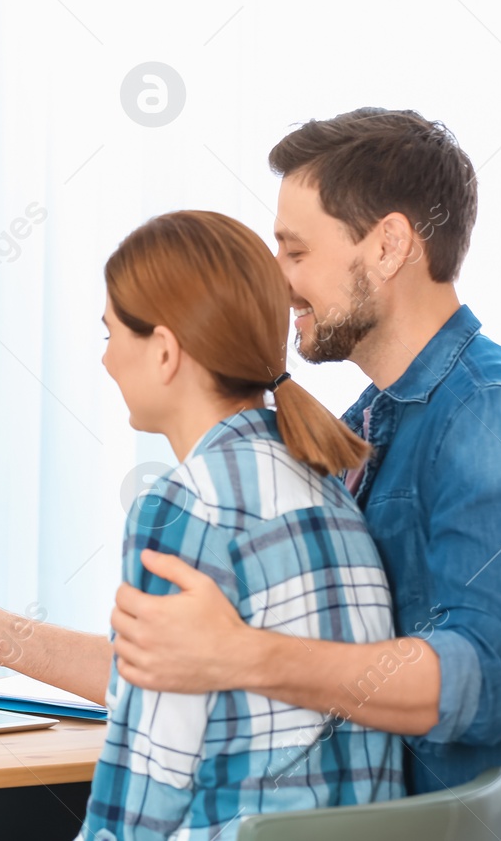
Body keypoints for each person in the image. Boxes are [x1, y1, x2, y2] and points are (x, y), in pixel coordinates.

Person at [0, 110, 501, 841]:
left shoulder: (493, 419)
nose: (276, 281)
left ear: (388, 244)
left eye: (296, 250)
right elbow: (191, 671)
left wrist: (241, 654)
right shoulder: (359, 433)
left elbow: (487, 684)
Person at [81, 210, 403, 838]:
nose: (107, 363)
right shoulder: (329, 485)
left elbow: (147, 781)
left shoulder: (184, 506)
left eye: (110, 336)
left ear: (166, 351)